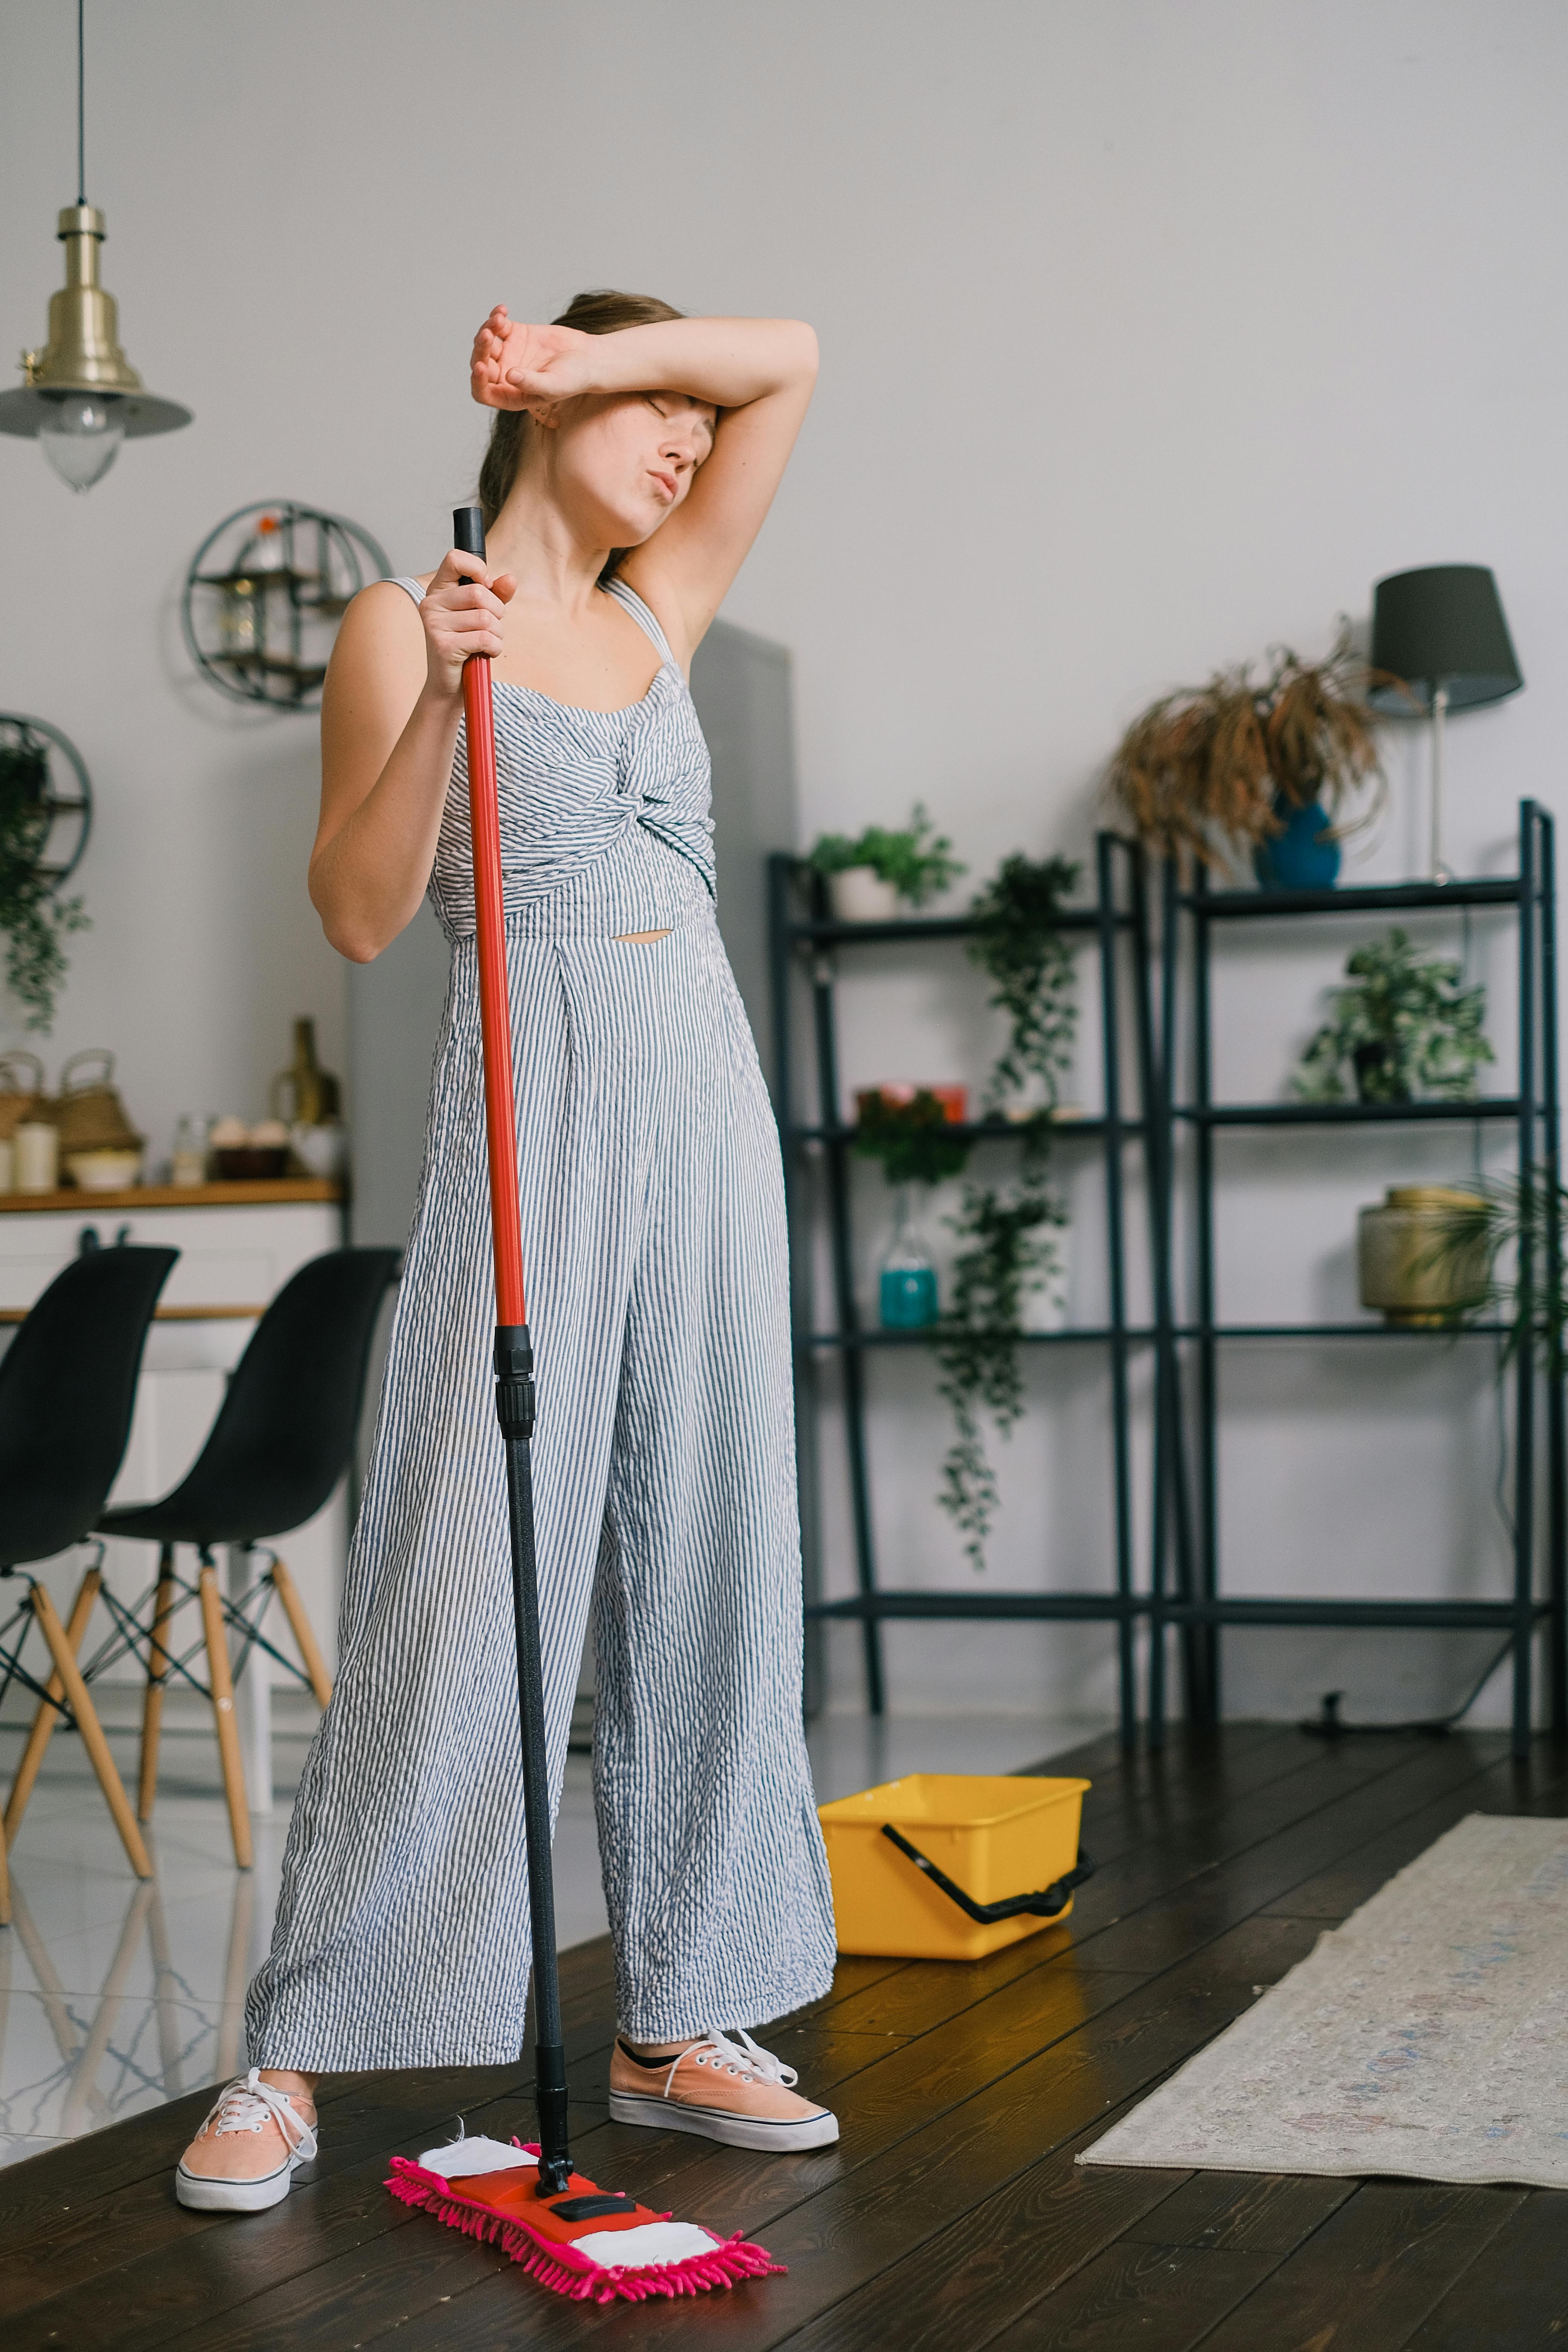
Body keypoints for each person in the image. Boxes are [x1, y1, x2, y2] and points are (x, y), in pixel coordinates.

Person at [175, 292, 838, 2213]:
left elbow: (789, 356)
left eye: (694, 430)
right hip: (527, 1121)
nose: (691, 449)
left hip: (704, 1116)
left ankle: (679, 2010)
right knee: (458, 1574)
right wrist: (438, 694)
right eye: (660, 413)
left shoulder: (658, 609)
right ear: (552, 404)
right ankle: (294, 2048)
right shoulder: (408, 614)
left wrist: (592, 358)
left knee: (711, 1549)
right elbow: (365, 917)